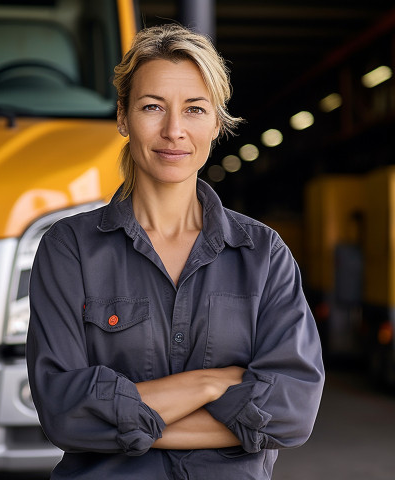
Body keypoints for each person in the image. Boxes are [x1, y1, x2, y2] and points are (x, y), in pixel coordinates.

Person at [26, 23, 324, 480]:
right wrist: (208, 383)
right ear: (123, 117)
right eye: (152, 107)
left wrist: (123, 418)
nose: (174, 130)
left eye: (195, 109)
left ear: (216, 123)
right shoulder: (69, 250)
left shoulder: (263, 254)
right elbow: (64, 412)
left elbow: (292, 411)